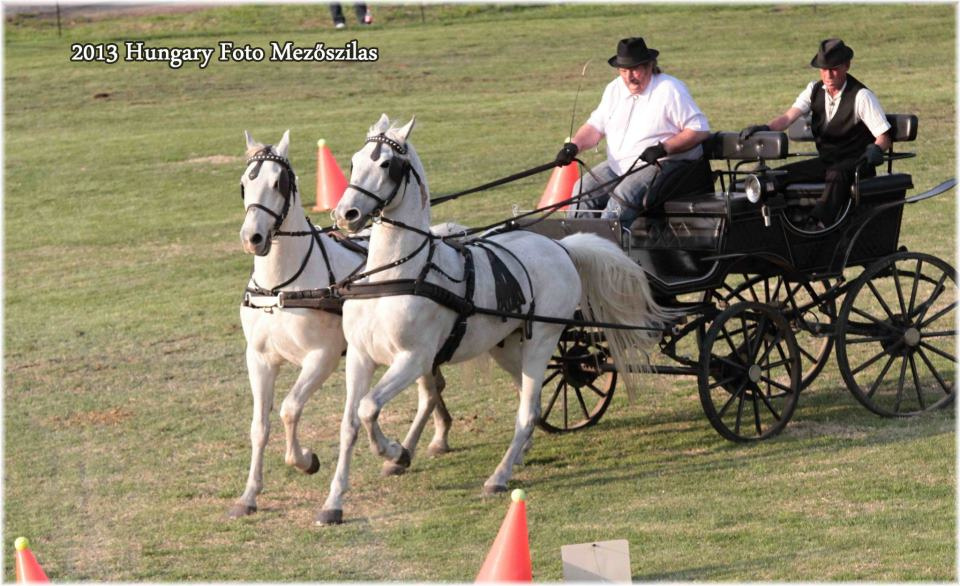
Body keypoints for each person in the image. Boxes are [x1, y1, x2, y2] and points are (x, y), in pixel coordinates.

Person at [558, 37, 713, 228]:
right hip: (621, 165)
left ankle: (607, 254)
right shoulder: (614, 89)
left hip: (664, 164)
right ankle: (577, 250)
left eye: (634, 70)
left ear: (649, 66)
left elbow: (699, 129)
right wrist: (574, 146)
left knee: (620, 201)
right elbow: (595, 126)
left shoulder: (669, 89)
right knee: (583, 189)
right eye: (623, 71)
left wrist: (664, 148)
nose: (629, 77)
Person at [739, 39, 891, 229]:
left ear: (846, 66)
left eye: (834, 68)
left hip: (856, 164)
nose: (828, 75)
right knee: (780, 175)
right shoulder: (814, 90)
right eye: (823, 69)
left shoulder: (861, 96)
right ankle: (778, 222)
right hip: (827, 161)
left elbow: (884, 137)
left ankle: (818, 224)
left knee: (837, 173)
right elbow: (787, 118)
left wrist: (875, 150)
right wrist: (765, 128)